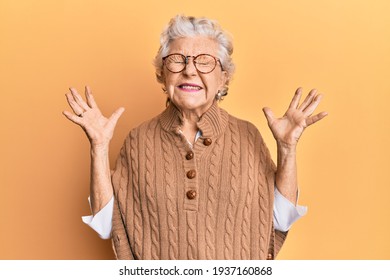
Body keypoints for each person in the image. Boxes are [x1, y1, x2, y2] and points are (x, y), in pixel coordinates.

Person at [63, 15, 327, 260]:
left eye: (205, 61)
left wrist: (287, 148)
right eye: (178, 60)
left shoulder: (248, 136)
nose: (189, 71)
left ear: (223, 78)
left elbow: (280, 219)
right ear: (162, 74)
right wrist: (98, 147)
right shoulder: (138, 140)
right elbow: (107, 225)